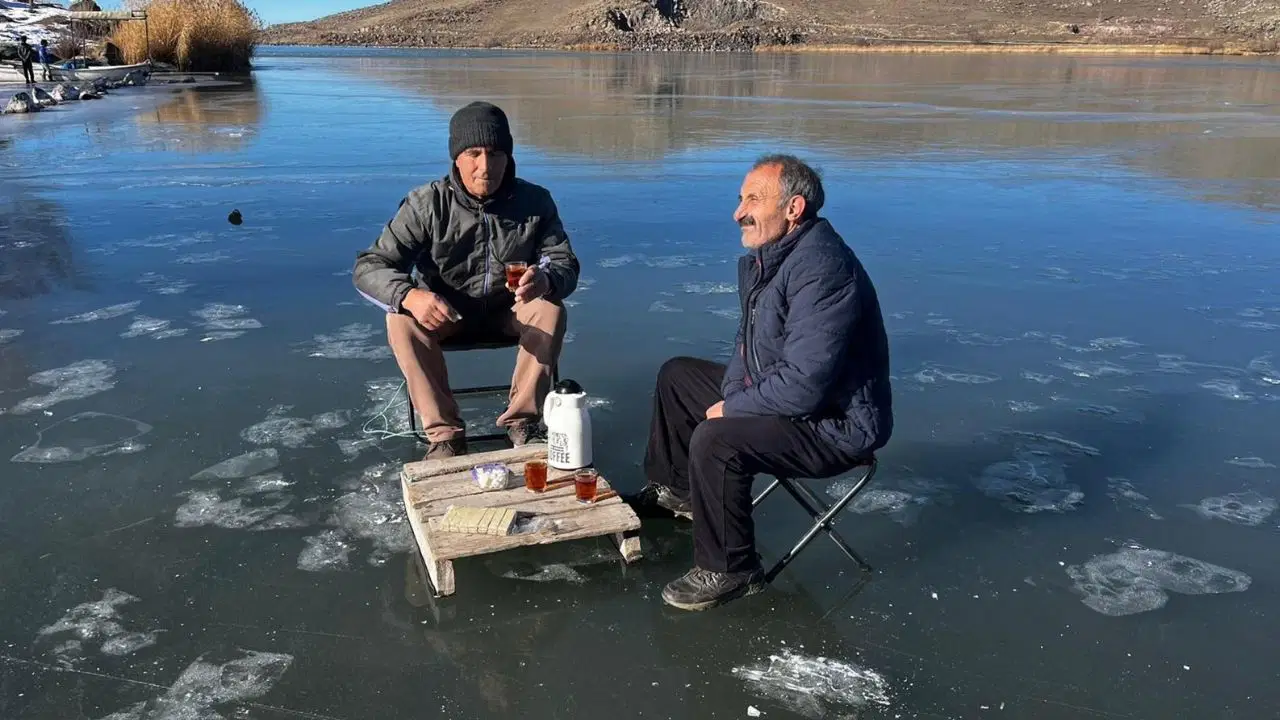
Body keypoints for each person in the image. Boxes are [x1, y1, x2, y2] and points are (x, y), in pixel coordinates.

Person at [632, 154, 893, 611]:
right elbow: (746, 348)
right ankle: (679, 493)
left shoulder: (824, 270)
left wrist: (733, 409)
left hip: (833, 426)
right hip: (792, 400)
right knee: (679, 377)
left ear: (794, 208)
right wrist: (735, 395)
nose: (739, 212)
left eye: (753, 199)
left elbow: (805, 385)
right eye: (740, 199)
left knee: (717, 437)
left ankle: (731, 568)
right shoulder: (771, 259)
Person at [353, 101, 579, 459]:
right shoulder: (426, 204)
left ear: (508, 157)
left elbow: (564, 262)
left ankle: (523, 421)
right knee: (400, 319)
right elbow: (370, 266)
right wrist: (410, 296)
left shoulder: (535, 202)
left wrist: (545, 279)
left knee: (549, 309)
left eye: (495, 153)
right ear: (456, 157)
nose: (485, 166)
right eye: (473, 153)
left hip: (510, 311)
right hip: (447, 314)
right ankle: (445, 435)